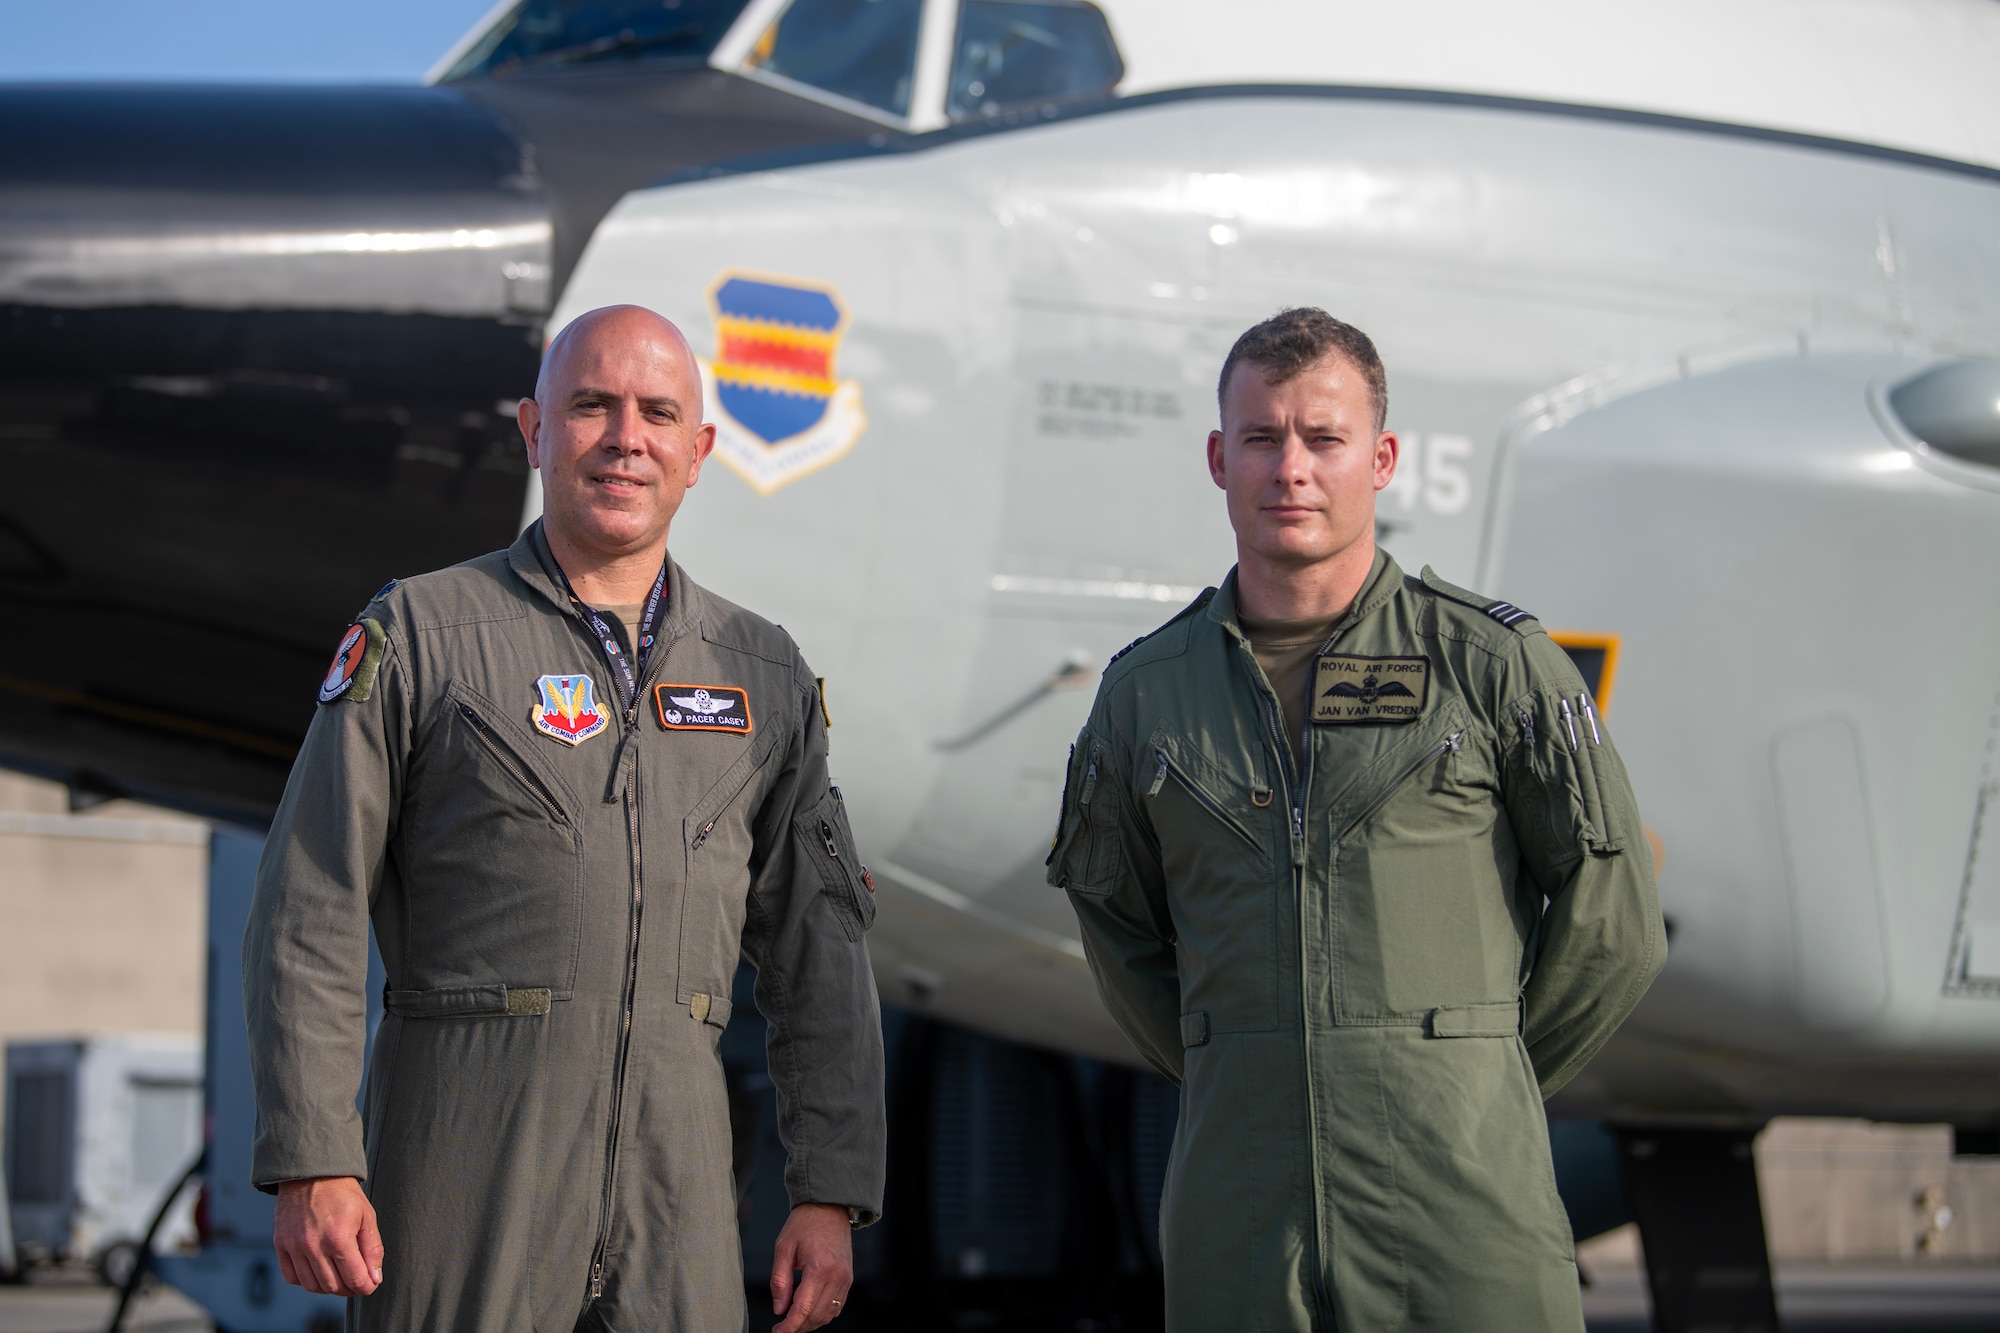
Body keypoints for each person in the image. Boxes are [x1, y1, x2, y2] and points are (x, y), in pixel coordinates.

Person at [244, 305, 885, 1333]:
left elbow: (820, 951)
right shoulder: (421, 635)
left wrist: (828, 1186)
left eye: (657, 413)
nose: (625, 437)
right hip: (463, 1165)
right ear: (533, 431)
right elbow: (307, 905)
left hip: (674, 1193)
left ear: (698, 450)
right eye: (590, 405)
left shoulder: (762, 674)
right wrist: (313, 1153)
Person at [1048, 308, 1665, 1331]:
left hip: (1460, 1210)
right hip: (1240, 1212)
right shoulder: (1143, 693)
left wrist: (1469, 1074)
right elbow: (1115, 924)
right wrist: (1248, 1060)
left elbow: (1613, 922)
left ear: (1378, 459)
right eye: (1260, 437)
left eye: (1322, 438)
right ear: (1217, 457)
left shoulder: (1490, 668)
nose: (1290, 467)